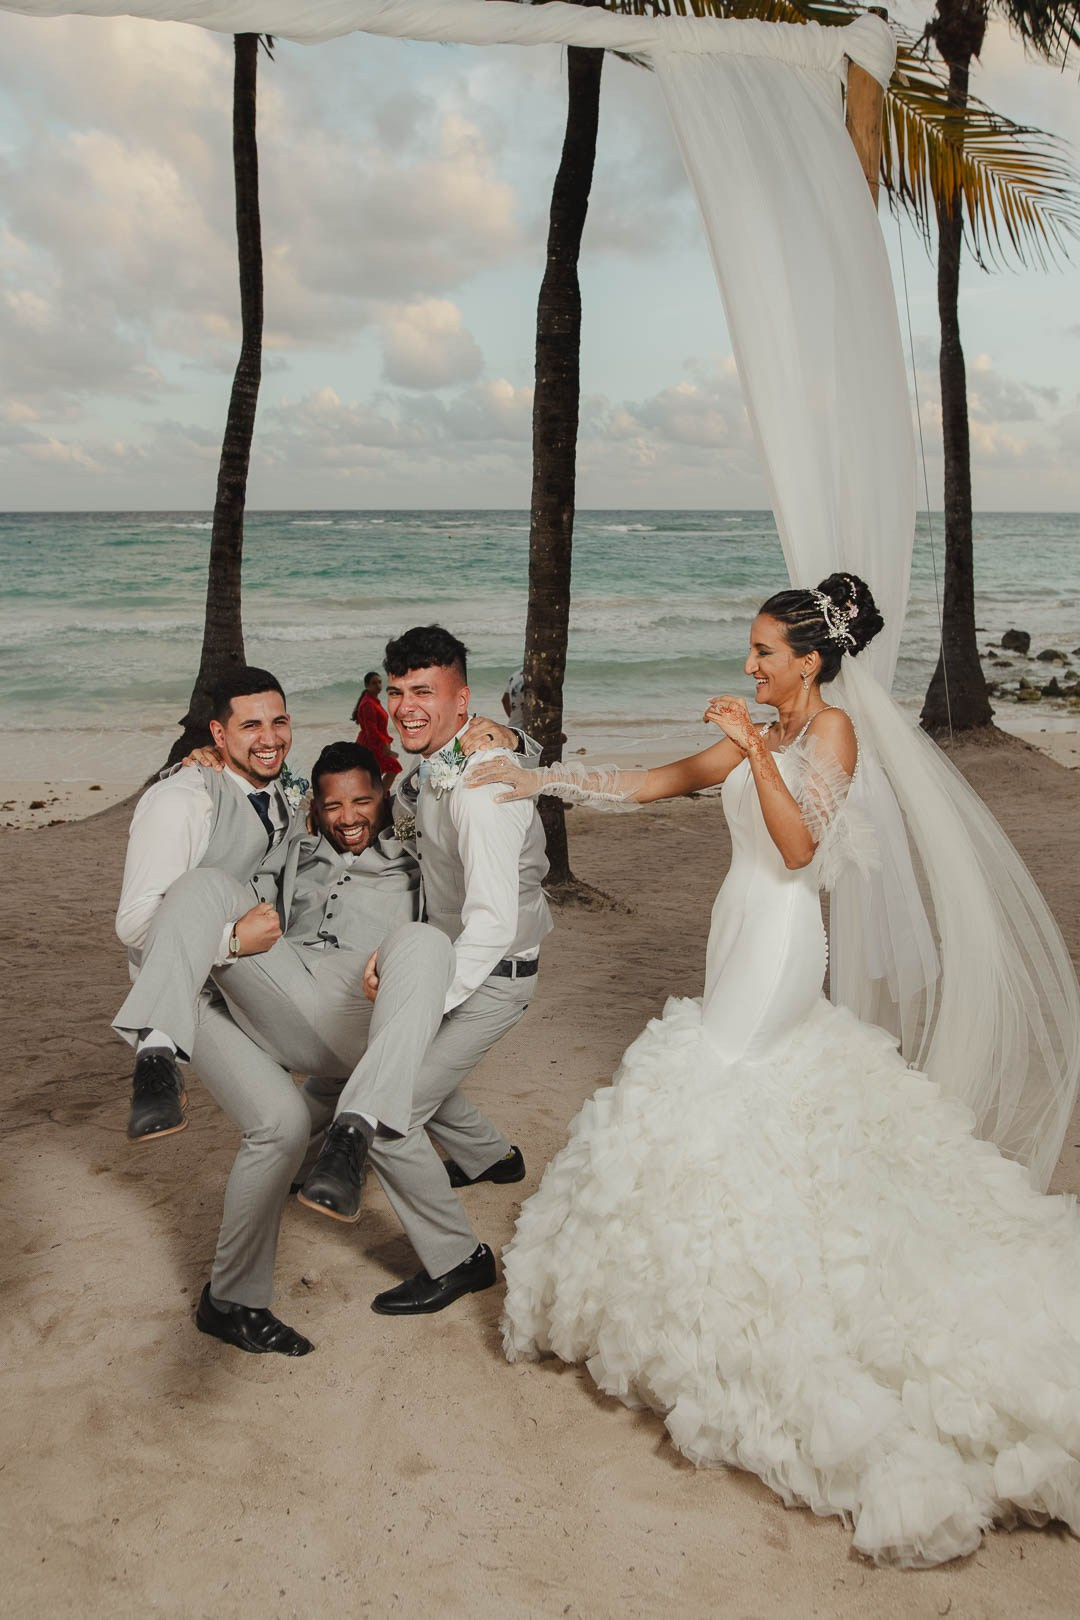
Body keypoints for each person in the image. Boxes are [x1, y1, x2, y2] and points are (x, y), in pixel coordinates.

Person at [468, 573, 1080, 1568]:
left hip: (783, 939)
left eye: (763, 653)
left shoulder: (829, 734)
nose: (747, 666)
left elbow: (798, 853)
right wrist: (545, 782)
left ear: (810, 658)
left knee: (712, 1084)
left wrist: (753, 747)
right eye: (749, 650)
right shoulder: (774, 732)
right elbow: (664, 781)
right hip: (735, 930)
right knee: (743, 1093)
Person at [114, 683, 457, 1350]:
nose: (269, 736)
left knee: (286, 1123)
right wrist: (238, 943)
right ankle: (156, 1053)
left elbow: (424, 783)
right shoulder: (180, 798)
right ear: (217, 735)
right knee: (277, 1123)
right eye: (249, 726)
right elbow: (133, 926)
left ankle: (350, 1136)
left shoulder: (282, 793)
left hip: (261, 979)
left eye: (278, 721)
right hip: (186, 988)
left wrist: (496, 735)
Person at [296, 625, 552, 1316]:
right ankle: (491, 1159)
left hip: (491, 973)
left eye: (426, 693)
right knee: (401, 1064)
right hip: (447, 959)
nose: (407, 707)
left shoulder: (479, 792)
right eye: (400, 691)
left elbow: (493, 925)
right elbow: (405, 815)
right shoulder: (432, 769)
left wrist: (427, 999)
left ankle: (459, 1259)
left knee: (388, 1109)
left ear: (462, 699)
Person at [353, 669, 401, 789]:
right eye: (374, 683)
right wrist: (384, 744)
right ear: (367, 685)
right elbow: (371, 730)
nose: (378, 686)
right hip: (371, 745)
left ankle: (377, 796)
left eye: (379, 682)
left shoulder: (373, 701)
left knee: (376, 774)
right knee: (393, 767)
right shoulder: (368, 704)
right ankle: (380, 796)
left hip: (374, 743)